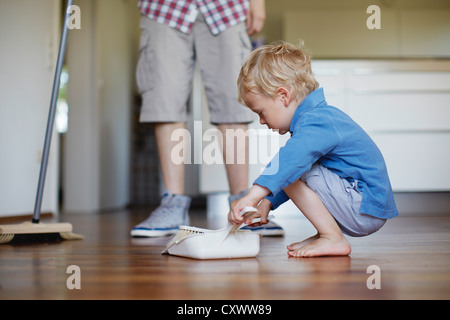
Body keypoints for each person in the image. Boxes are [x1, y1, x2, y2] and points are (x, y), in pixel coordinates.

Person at [228, 41, 399, 257]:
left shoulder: (317, 120)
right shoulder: (318, 118)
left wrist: (252, 197)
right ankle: (327, 234)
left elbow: (290, 164)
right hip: (363, 205)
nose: (261, 120)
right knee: (295, 167)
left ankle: (332, 237)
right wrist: (269, 202)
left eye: (261, 112)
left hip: (363, 207)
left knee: (292, 167)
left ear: (283, 96)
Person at [131, 0, 284, 237]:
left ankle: (242, 204)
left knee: (234, 100)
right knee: (165, 100)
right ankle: (172, 205)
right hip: (162, 7)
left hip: (226, 7)